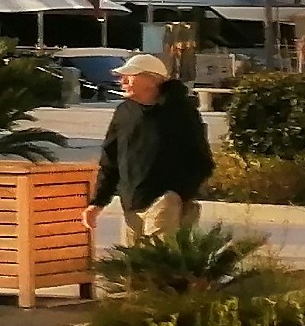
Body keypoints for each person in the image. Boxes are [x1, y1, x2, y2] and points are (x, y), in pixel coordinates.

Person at [89, 52, 213, 247]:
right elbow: (109, 160)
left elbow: (202, 160)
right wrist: (97, 203)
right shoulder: (124, 112)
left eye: (130, 76)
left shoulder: (181, 112)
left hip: (165, 201)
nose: (122, 81)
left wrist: (178, 194)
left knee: (160, 261)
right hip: (131, 201)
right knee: (135, 266)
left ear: (152, 80)